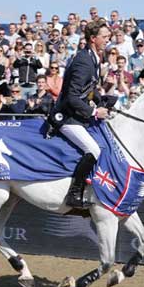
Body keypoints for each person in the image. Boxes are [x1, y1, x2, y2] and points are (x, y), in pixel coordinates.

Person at [49, 19, 111, 208]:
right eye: (105, 36)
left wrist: (103, 100)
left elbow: (88, 89)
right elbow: (72, 98)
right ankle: (74, 193)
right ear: (93, 38)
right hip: (66, 116)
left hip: (77, 114)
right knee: (93, 149)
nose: (108, 39)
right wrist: (94, 111)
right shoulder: (84, 61)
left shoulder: (94, 57)